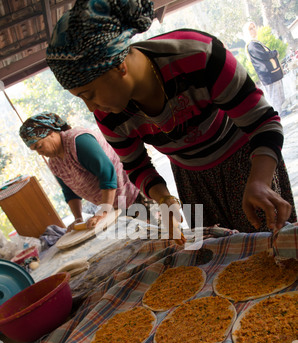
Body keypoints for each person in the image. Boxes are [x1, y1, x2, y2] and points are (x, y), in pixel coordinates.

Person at [46, 0, 296, 240]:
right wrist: (164, 199)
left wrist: (260, 180)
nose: (90, 107)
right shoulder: (108, 114)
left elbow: (263, 122)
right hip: (190, 179)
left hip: (249, 162)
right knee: (219, 257)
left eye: (89, 94)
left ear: (118, 67)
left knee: (275, 249)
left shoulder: (198, 54)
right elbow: (137, 167)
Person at [19, 112, 149, 231]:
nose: (39, 152)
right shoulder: (54, 163)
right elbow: (70, 192)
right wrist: (78, 219)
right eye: (34, 150)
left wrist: (103, 211)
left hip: (132, 195)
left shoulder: (78, 141)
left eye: (39, 146)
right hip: (112, 205)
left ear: (51, 133)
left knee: (156, 233)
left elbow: (107, 173)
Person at [243, 21, 286, 116]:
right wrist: (275, 53)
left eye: (254, 27)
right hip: (270, 76)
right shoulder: (252, 45)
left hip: (272, 75)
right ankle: (277, 116)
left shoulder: (255, 43)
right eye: (250, 28)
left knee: (279, 96)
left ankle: (281, 112)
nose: (254, 30)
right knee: (275, 98)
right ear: (247, 32)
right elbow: (264, 56)